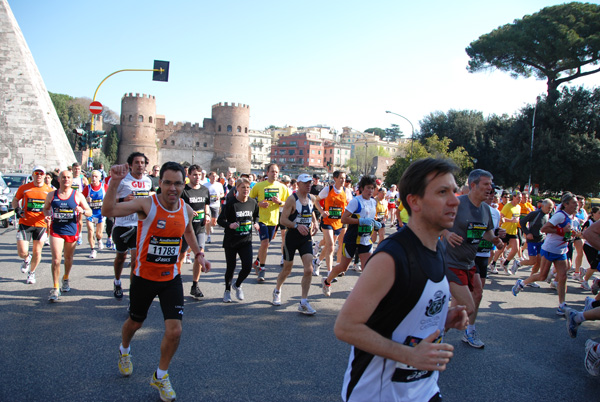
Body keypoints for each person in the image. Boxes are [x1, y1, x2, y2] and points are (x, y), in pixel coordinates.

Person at [334, 158, 468, 402]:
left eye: (454, 191)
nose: (454, 200)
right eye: (442, 192)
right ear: (414, 201)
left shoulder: (437, 248)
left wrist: (442, 319)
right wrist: (410, 355)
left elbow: (405, 316)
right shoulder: (391, 257)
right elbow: (345, 327)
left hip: (424, 391)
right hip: (380, 395)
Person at [103, 162, 211, 402]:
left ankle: (160, 376)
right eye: (168, 182)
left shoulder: (186, 209)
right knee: (135, 323)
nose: (172, 188)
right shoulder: (146, 204)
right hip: (143, 278)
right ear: (159, 183)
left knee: (175, 331)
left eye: (177, 183)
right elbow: (108, 211)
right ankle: (124, 350)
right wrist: (114, 182)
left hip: (170, 278)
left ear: (183, 185)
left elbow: (189, 232)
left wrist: (199, 254)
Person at [443, 169, 504, 349]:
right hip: (450, 261)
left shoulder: (486, 210)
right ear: (473, 185)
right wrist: (447, 234)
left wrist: (496, 240)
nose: (490, 188)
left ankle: (469, 332)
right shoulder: (456, 203)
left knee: (478, 294)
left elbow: (487, 232)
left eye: (490, 185)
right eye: (486, 184)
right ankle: (434, 335)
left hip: (470, 262)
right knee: (467, 306)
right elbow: (433, 222)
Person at [512, 192, 579, 316]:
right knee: (542, 276)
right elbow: (545, 229)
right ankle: (522, 283)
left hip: (561, 251)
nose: (577, 205)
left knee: (563, 276)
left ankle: (561, 305)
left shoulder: (573, 217)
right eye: (574, 203)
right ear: (566, 204)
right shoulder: (559, 215)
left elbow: (567, 233)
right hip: (549, 249)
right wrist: (562, 230)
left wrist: (572, 234)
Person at [322, 176, 381, 296]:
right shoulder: (356, 201)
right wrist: (360, 221)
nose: (370, 191)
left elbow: (371, 218)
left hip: (365, 239)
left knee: (367, 268)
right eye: (368, 188)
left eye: (372, 188)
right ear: (361, 188)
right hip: (352, 239)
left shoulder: (373, 202)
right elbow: (343, 219)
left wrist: (375, 224)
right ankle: (327, 281)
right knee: (343, 267)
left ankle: (364, 293)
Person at [272, 174, 319, 314]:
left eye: (310, 182)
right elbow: (283, 220)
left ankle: (303, 302)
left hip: (305, 239)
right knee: (287, 270)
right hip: (292, 238)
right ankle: (277, 290)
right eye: (305, 183)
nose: (308, 185)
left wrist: (315, 222)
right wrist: (296, 225)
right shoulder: (292, 199)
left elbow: (311, 211)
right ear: (298, 184)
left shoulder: (312, 198)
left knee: (309, 269)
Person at [43, 170, 92, 301]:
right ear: (59, 179)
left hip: (71, 230)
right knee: (56, 259)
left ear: (72, 180)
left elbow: (89, 211)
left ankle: (65, 278)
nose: (66, 180)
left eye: (69, 177)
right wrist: (47, 215)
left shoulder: (77, 195)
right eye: (63, 177)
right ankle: (55, 288)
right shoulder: (52, 195)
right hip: (56, 230)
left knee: (68, 257)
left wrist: (82, 210)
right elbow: (46, 208)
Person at [111, 152, 153, 299]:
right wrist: (123, 199)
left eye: (142, 163)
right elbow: (109, 200)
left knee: (135, 261)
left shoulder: (148, 181)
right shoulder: (123, 181)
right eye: (137, 162)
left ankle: (132, 295)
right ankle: (117, 281)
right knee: (121, 257)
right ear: (130, 165)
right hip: (122, 224)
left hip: (139, 225)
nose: (140, 165)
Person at [217, 178, 259, 302]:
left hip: (246, 240)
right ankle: (227, 290)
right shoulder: (231, 203)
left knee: (247, 267)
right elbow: (220, 220)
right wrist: (229, 225)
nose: (246, 190)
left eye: (247, 187)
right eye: (243, 187)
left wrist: (256, 223)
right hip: (231, 240)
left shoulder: (252, 202)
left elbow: (256, 215)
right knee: (231, 267)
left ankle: (238, 285)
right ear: (237, 189)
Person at [12, 166, 54, 284]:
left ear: (45, 176)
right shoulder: (25, 188)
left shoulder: (49, 190)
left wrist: (50, 216)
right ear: (33, 175)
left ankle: (32, 273)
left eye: (41, 173)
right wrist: (17, 209)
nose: (39, 175)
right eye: (37, 173)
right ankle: (26, 258)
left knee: (37, 251)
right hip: (25, 223)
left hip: (41, 224)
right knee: (22, 251)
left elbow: (52, 206)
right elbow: (15, 200)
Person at [249, 163, 289, 282]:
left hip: (274, 220)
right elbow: (250, 200)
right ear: (267, 173)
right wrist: (258, 204)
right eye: (272, 171)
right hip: (262, 220)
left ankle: (257, 261)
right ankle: (262, 269)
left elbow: (288, 203)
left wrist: (280, 202)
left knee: (265, 244)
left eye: (276, 172)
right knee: (265, 243)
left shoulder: (282, 187)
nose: (274, 174)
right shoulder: (259, 186)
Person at [179, 165, 210, 299]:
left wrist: (207, 214)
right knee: (181, 255)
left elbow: (206, 204)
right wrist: (188, 212)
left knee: (200, 254)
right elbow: (178, 206)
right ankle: (176, 280)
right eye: (194, 175)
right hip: (186, 229)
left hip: (200, 227)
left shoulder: (204, 190)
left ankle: (195, 285)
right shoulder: (184, 191)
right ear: (189, 176)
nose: (197, 177)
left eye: (199, 175)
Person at [314, 170, 348, 277]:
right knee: (331, 246)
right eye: (341, 178)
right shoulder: (328, 189)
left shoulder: (347, 191)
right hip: (327, 221)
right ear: (335, 179)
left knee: (328, 245)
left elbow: (351, 205)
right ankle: (330, 273)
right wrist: (322, 212)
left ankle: (317, 262)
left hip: (338, 223)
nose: (343, 180)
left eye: (344, 178)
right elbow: (316, 201)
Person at [516, 199, 554, 287]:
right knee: (532, 261)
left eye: (551, 208)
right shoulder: (535, 213)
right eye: (549, 208)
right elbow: (522, 221)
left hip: (541, 240)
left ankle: (531, 280)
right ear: (543, 206)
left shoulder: (548, 215)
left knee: (539, 262)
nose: (550, 210)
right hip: (532, 240)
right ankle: (518, 263)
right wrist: (527, 232)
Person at [82, 170, 108, 258]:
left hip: (100, 213)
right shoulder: (87, 188)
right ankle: (92, 250)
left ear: (100, 178)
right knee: (90, 231)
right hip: (90, 213)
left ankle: (99, 239)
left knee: (99, 233)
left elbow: (110, 198)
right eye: (92, 176)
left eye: (96, 177)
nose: (94, 178)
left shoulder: (104, 187)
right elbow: (81, 200)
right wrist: (86, 200)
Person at [204, 172, 224, 244]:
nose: (214, 178)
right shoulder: (205, 185)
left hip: (216, 204)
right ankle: (208, 236)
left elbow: (222, 194)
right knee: (208, 220)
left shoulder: (219, 185)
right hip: (208, 205)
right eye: (212, 176)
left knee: (214, 222)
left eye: (215, 176)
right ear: (209, 177)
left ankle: (211, 226)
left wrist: (219, 196)